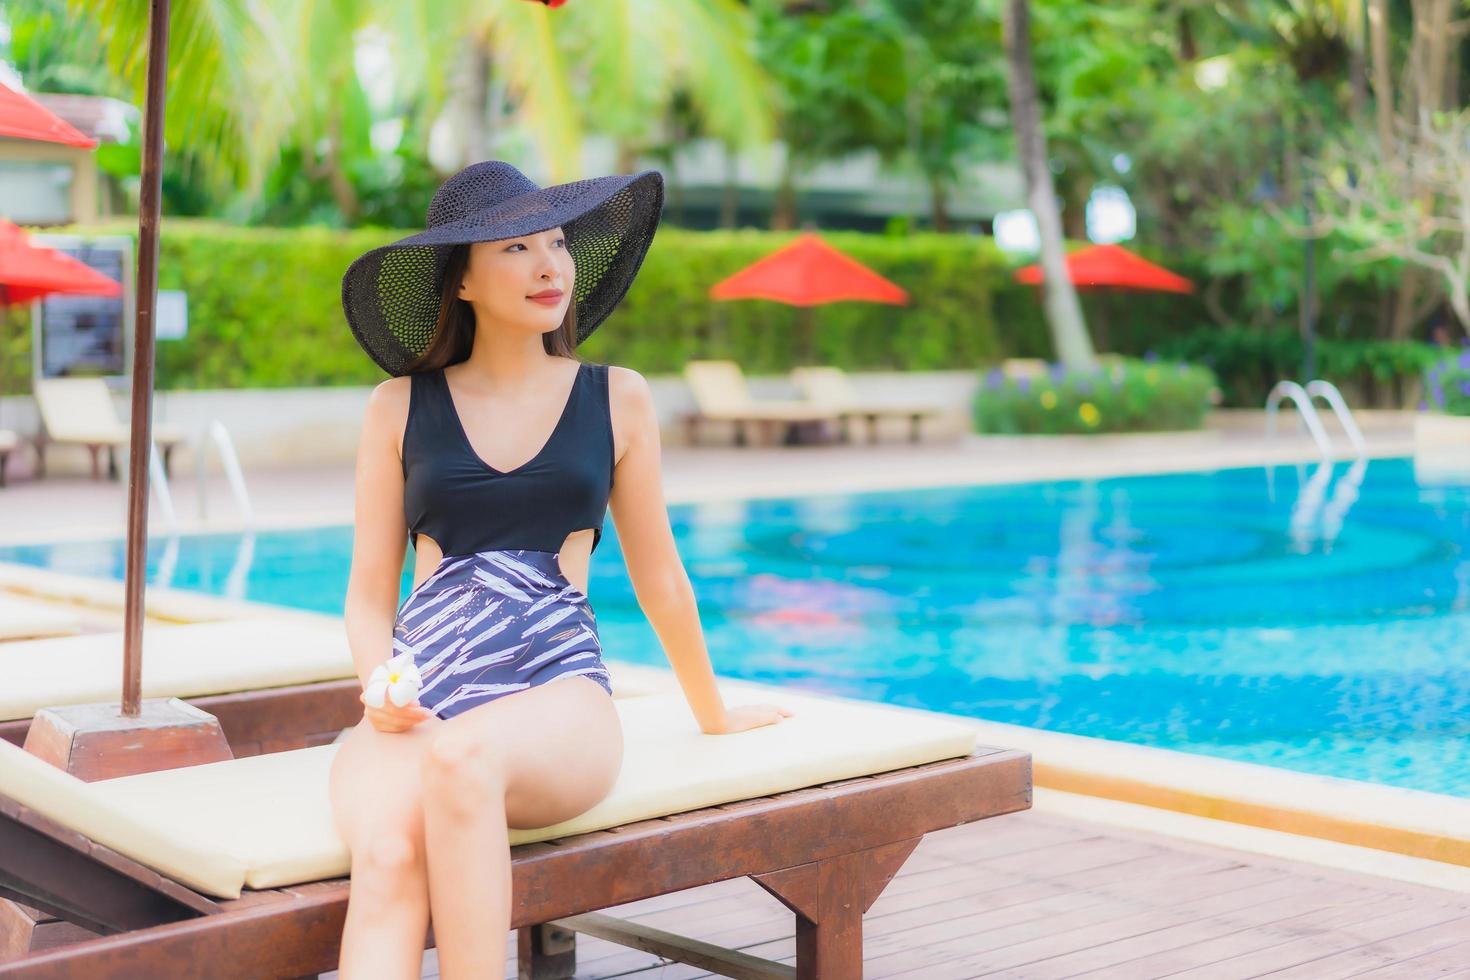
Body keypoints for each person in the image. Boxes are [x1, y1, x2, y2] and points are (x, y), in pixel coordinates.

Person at [330, 161, 792, 978]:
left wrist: (712, 713)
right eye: (516, 247)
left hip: (555, 687)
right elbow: (369, 597)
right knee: (391, 856)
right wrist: (380, 686)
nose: (550, 265)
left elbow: (662, 579)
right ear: (462, 280)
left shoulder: (618, 399)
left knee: (461, 762)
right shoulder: (397, 407)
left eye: (556, 242)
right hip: (422, 687)